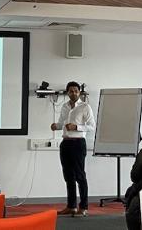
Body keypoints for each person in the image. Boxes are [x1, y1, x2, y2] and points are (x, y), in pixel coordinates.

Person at [51, 81, 95, 217]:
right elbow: (62, 124)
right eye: (71, 91)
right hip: (65, 143)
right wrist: (56, 126)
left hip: (78, 144)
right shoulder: (64, 107)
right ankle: (71, 206)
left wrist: (77, 127)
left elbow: (92, 126)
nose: (74, 93)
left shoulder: (85, 107)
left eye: (76, 91)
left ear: (79, 92)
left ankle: (84, 206)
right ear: (67, 92)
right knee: (68, 176)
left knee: (80, 176)